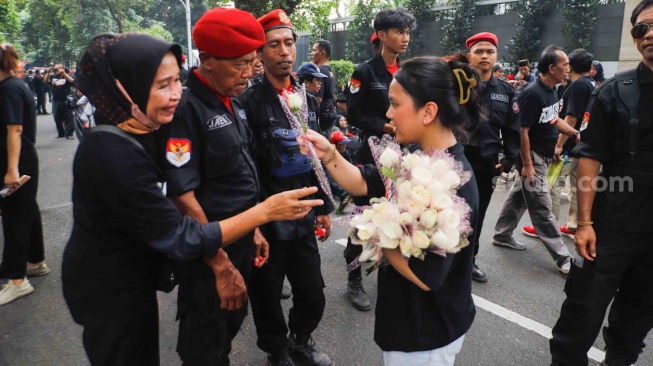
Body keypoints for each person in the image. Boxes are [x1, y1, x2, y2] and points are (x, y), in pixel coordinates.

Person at [61, 32, 323, 366]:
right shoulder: (112, 152)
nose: (175, 95)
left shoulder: (146, 129)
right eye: (161, 86)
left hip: (139, 273)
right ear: (126, 86)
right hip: (108, 284)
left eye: (176, 82)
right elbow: (182, 232)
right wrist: (263, 213)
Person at [301, 55, 480, 366]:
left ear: (428, 112)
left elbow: (427, 277)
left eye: (396, 104)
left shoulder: (450, 183)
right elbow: (364, 182)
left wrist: (379, 230)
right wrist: (329, 154)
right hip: (409, 321)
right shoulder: (415, 154)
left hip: (426, 335)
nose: (388, 112)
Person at [156, 8, 270, 365]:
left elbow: (238, 173)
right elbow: (181, 194)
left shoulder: (231, 98)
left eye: (253, 62)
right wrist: (219, 264)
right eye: (239, 64)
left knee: (229, 325)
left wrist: (254, 228)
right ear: (205, 60)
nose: (249, 73)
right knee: (204, 340)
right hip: (210, 249)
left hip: (239, 238)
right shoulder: (187, 109)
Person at [550, 2, 653, 365]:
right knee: (580, 315)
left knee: (636, 321)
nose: (649, 35)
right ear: (634, 37)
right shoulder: (614, 90)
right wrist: (584, 222)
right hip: (612, 224)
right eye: (642, 29)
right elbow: (589, 159)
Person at [239, 9, 335, 366]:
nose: (284, 52)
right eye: (274, 45)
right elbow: (246, 169)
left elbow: (316, 158)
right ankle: (277, 351)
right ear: (260, 54)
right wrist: (255, 223)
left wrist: (323, 207)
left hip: (303, 213)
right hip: (268, 215)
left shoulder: (306, 99)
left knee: (313, 291)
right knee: (266, 293)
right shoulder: (247, 104)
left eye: (289, 43)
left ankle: (302, 339)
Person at [345, 8, 416, 311]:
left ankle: (392, 270)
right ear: (382, 35)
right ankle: (354, 277)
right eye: (399, 32)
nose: (405, 38)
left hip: (403, 156)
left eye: (408, 33)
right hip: (371, 155)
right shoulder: (364, 71)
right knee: (363, 218)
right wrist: (385, 126)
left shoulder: (409, 72)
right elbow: (353, 113)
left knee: (398, 217)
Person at [492, 46, 576, 274]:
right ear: (551, 68)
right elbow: (523, 131)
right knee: (542, 207)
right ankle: (563, 258)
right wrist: (527, 165)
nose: (568, 69)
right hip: (533, 157)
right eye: (565, 65)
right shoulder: (531, 93)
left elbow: (552, 118)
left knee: (519, 195)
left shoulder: (552, 90)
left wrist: (573, 133)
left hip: (545, 155)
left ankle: (502, 234)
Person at [463, 32, 520, 283]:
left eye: (489, 51)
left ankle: (469, 261)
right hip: (456, 160)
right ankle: (443, 259)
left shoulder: (505, 90)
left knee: (478, 213)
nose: (484, 56)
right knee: (448, 211)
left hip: (487, 163)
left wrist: (507, 160)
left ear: (496, 56)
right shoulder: (457, 85)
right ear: (469, 56)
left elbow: (512, 128)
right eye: (479, 51)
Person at [525, 49, 597, 240]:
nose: (565, 68)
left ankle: (550, 225)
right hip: (581, 144)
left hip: (570, 147)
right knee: (577, 186)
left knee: (551, 184)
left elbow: (571, 118)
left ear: (571, 66)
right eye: (563, 64)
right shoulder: (591, 83)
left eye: (567, 65)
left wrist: (559, 145)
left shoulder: (577, 86)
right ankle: (573, 224)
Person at [0, 44, 48, 306]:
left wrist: (12, 170)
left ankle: (17, 280)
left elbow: (15, 130)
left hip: (16, 161)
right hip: (21, 159)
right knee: (27, 209)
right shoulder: (14, 86)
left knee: (15, 215)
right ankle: (36, 262)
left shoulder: (9, 89)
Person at [45, 63, 75, 139]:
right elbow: (46, 81)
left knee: (68, 117)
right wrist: (48, 73)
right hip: (56, 100)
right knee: (57, 117)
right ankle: (60, 133)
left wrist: (64, 73)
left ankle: (69, 134)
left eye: (60, 68)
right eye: (57, 68)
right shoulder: (52, 77)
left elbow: (73, 82)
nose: (59, 70)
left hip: (66, 99)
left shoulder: (66, 76)